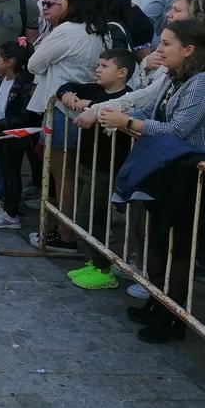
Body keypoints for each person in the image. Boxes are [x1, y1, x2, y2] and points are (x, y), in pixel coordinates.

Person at [98, 20, 205, 344]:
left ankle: (173, 317)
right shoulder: (173, 76)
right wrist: (118, 112)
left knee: (179, 246)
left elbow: (178, 129)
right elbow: (151, 111)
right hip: (165, 167)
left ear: (189, 50)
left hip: (192, 172)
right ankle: (157, 301)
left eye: (167, 44)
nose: (159, 49)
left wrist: (127, 121)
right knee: (154, 238)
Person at [27, 0, 113, 252]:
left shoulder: (68, 30)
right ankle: (68, 229)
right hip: (85, 106)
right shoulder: (102, 32)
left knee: (63, 174)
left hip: (63, 108)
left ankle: (65, 234)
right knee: (74, 174)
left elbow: (34, 63)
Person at [56, 48, 136, 289]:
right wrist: (67, 94)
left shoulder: (129, 97)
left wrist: (91, 107)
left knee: (93, 217)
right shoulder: (94, 89)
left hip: (107, 169)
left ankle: (103, 267)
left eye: (104, 66)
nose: (98, 70)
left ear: (122, 73)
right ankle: (94, 262)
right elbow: (66, 86)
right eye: (98, 65)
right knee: (85, 218)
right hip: (86, 163)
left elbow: (109, 108)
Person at [0, 38, 41, 230]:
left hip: (14, 136)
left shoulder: (25, 85)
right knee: (6, 172)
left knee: (12, 173)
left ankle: (11, 213)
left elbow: (24, 117)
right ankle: (5, 206)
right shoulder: (4, 80)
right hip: (2, 134)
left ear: (10, 62)